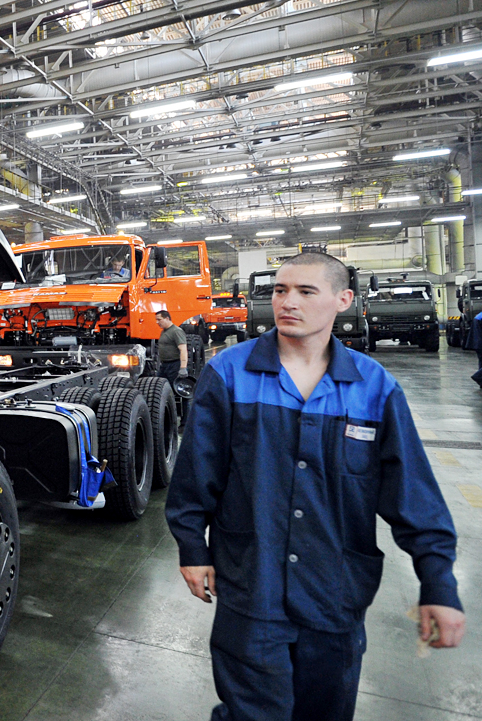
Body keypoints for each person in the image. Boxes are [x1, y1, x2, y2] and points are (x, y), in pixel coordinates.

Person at [166, 251, 464, 721]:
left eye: (306, 292)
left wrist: (439, 584)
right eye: (280, 291)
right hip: (251, 587)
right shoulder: (229, 374)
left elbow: (413, 495)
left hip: (335, 594)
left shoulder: (375, 388)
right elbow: (195, 474)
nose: (288, 302)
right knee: (252, 713)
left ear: (343, 300)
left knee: (326, 711)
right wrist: (191, 548)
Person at [155, 309, 188, 391]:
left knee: (177, 389)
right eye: (156, 320)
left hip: (174, 365)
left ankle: (183, 404)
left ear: (167, 318)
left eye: (159, 319)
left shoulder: (176, 331)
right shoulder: (164, 332)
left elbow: (183, 350)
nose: (157, 322)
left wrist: (183, 368)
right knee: (160, 386)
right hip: (165, 365)